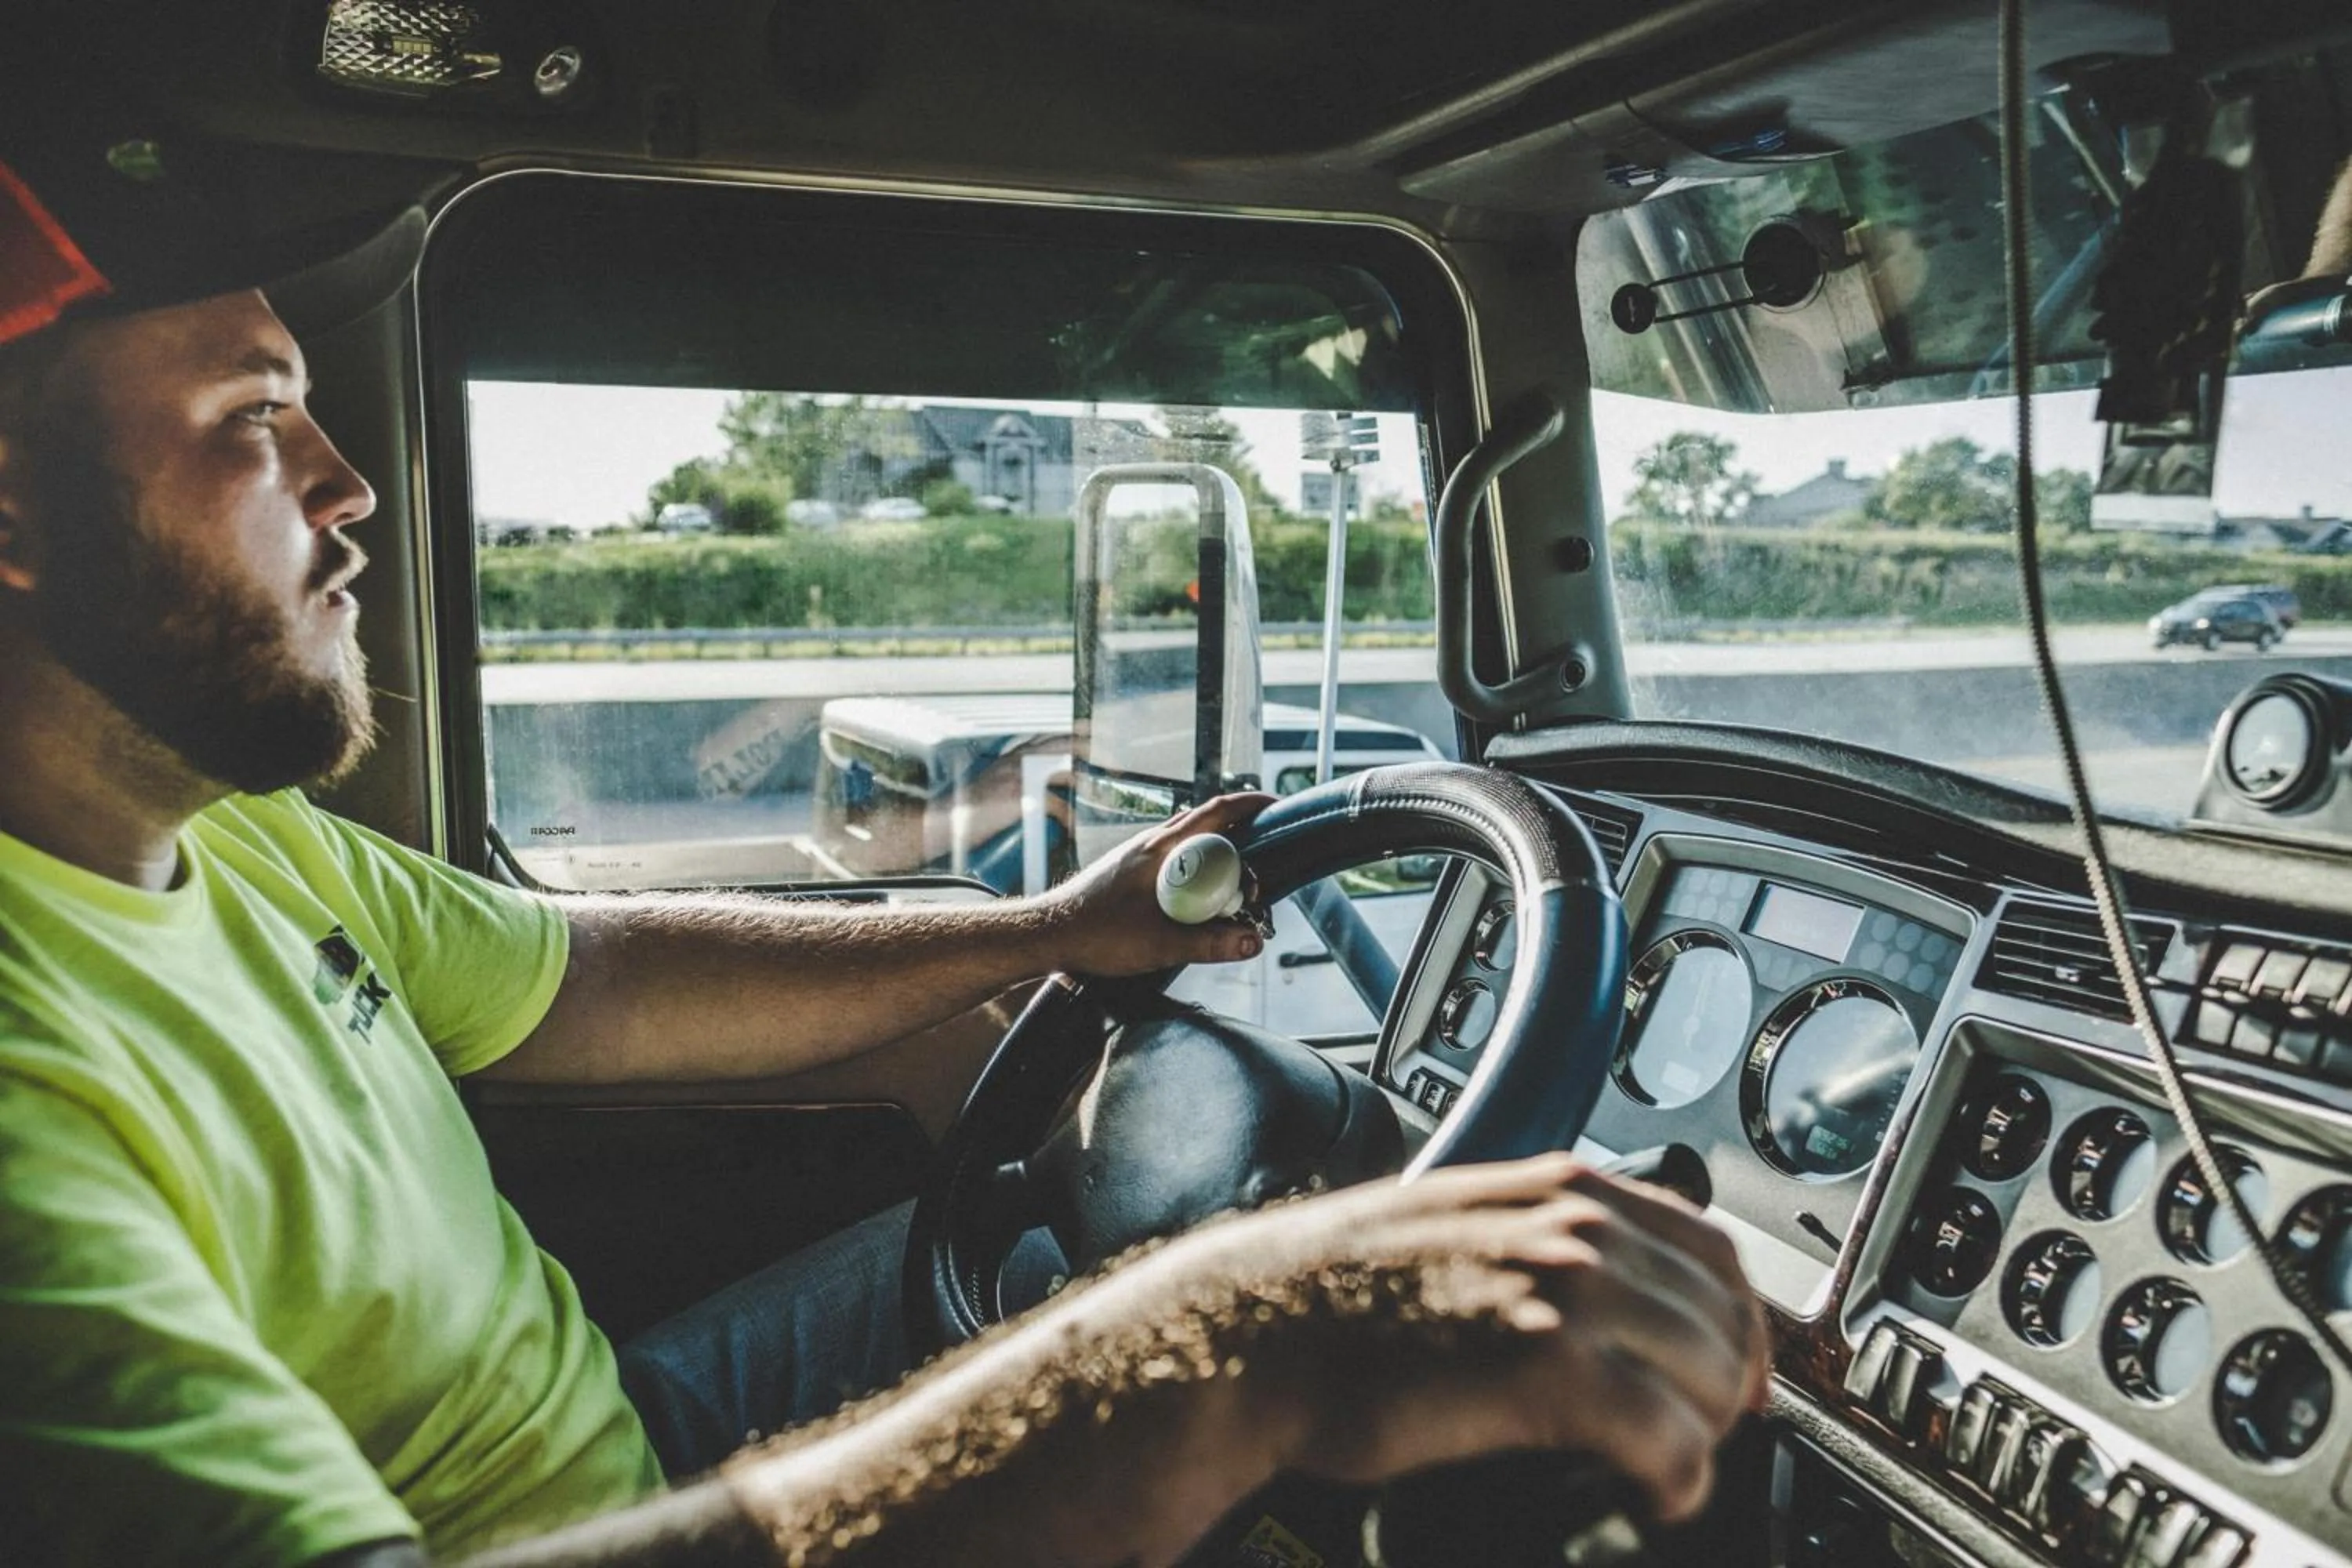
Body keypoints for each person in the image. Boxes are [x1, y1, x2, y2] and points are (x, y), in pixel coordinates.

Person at [0, 115, 1766, 1568]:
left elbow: (591, 980)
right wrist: (1229, 1358)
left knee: (1131, 1271)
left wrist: (1047, 931)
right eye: (250, 419)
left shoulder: (239, 835)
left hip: (620, 1431)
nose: (345, 480)